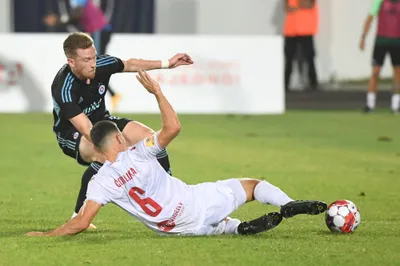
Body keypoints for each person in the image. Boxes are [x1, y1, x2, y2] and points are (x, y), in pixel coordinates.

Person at [26, 70, 327, 237]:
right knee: (251, 186)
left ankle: (237, 229)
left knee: (216, 227)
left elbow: (81, 222)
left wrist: (47, 236)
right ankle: (287, 204)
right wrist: (157, 91)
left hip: (173, 229)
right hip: (191, 202)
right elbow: (173, 127)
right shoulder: (139, 153)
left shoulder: (98, 182)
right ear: (119, 138)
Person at [51, 32, 193, 229]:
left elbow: (131, 64)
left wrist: (167, 63)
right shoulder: (63, 88)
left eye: (93, 56)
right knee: (106, 155)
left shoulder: (101, 64)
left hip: (104, 120)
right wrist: (119, 148)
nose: (93, 63)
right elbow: (87, 130)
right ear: (71, 62)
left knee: (152, 141)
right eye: (86, 60)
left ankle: (171, 192)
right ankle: (79, 215)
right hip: (72, 133)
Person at [44, 0, 122, 111]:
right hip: (99, 31)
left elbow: (77, 16)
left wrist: (58, 20)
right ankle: (110, 95)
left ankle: (97, 100)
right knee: (93, 66)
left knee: (94, 65)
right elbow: (76, 17)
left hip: (99, 30)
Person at [360, 0, 400, 113]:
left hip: (397, 42)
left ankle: (395, 105)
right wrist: (363, 37)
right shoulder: (379, 1)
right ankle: (370, 104)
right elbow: (370, 18)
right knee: (375, 72)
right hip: (381, 41)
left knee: (398, 73)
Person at [283, 0, 319, 92]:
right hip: (291, 30)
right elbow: (287, 8)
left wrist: (295, 6)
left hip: (306, 29)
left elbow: (308, 4)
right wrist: (297, 6)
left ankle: (313, 84)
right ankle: (285, 85)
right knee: (288, 58)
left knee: (310, 57)